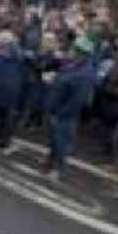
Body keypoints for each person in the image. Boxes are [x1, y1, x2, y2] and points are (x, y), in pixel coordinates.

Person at [42, 36, 97, 180]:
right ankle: (50, 162)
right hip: (54, 107)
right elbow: (62, 77)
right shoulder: (71, 65)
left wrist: (61, 114)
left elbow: (77, 101)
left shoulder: (85, 74)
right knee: (54, 140)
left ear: (81, 53)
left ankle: (59, 170)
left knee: (62, 142)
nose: (71, 51)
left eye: (74, 49)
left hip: (64, 114)